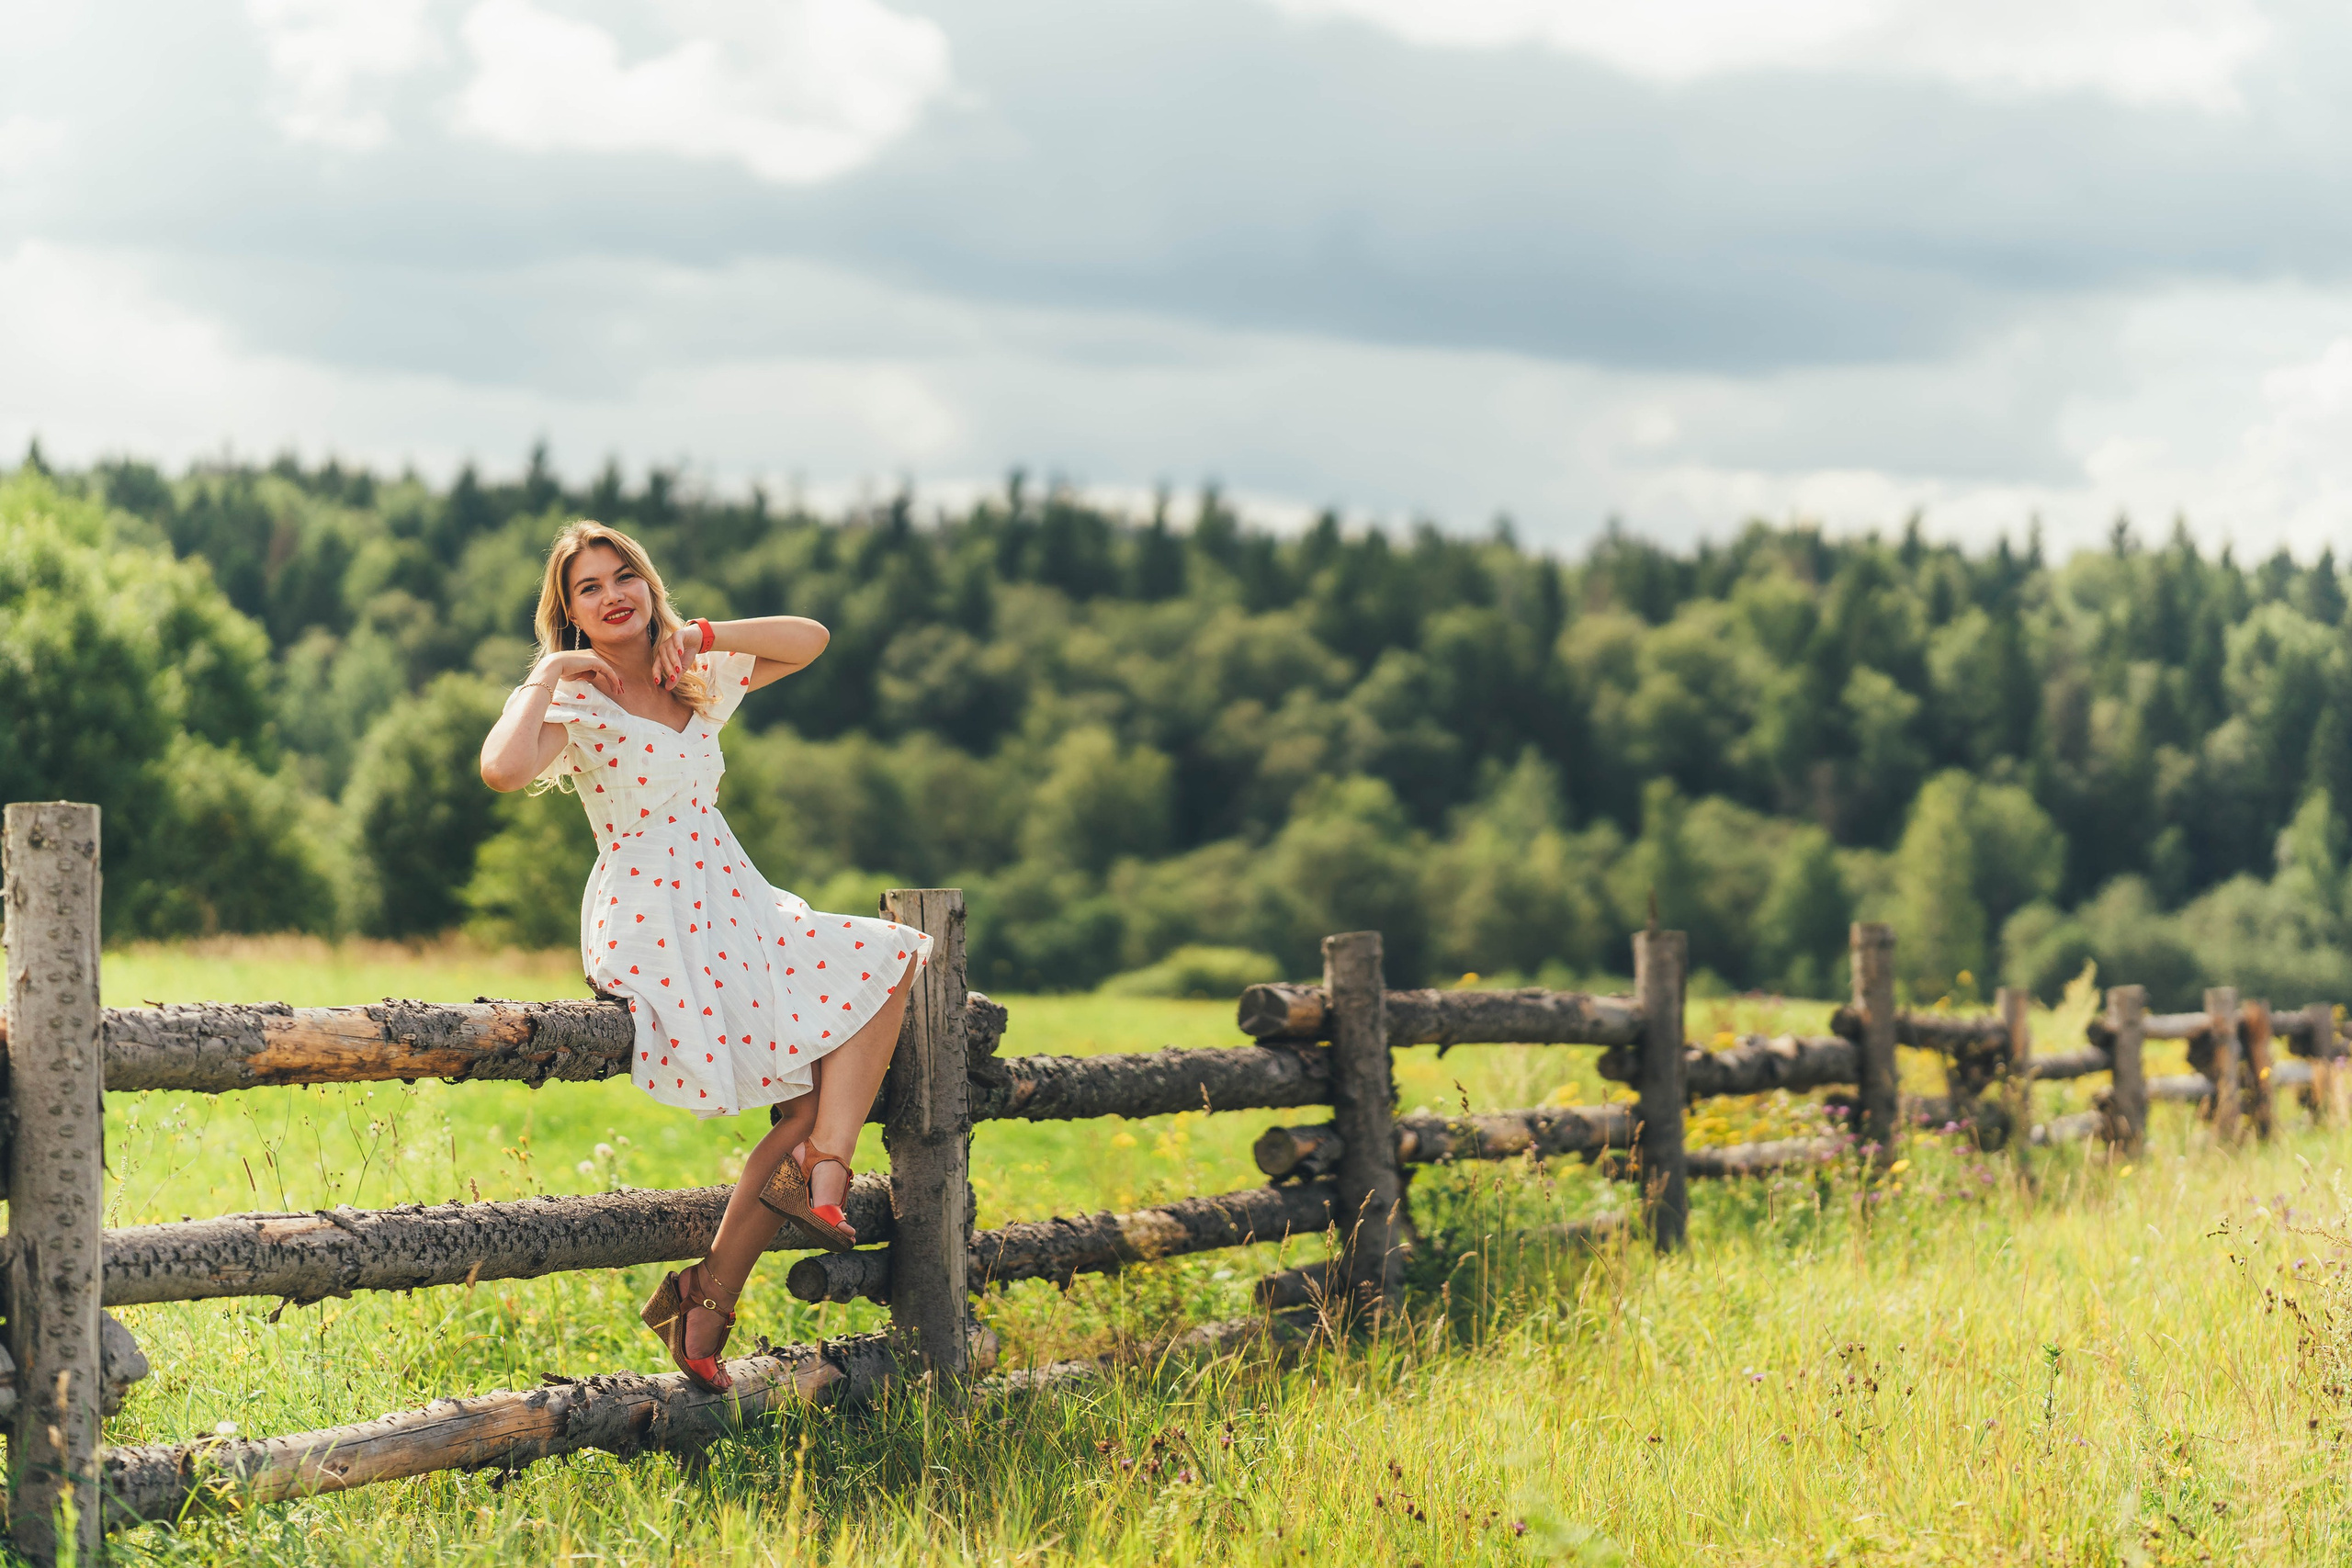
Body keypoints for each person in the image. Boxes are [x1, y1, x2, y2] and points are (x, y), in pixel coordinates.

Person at [479, 520, 927, 1393]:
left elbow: (813, 640)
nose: (612, 596)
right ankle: (735, 1271)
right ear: (567, 610)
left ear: (647, 583)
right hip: (653, 915)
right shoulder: (577, 699)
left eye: (624, 577)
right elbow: (500, 769)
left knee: (890, 961)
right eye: (588, 588)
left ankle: (754, 1243)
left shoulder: (690, 673)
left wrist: (709, 633)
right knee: (799, 1092)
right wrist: (546, 672)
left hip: (733, 898)